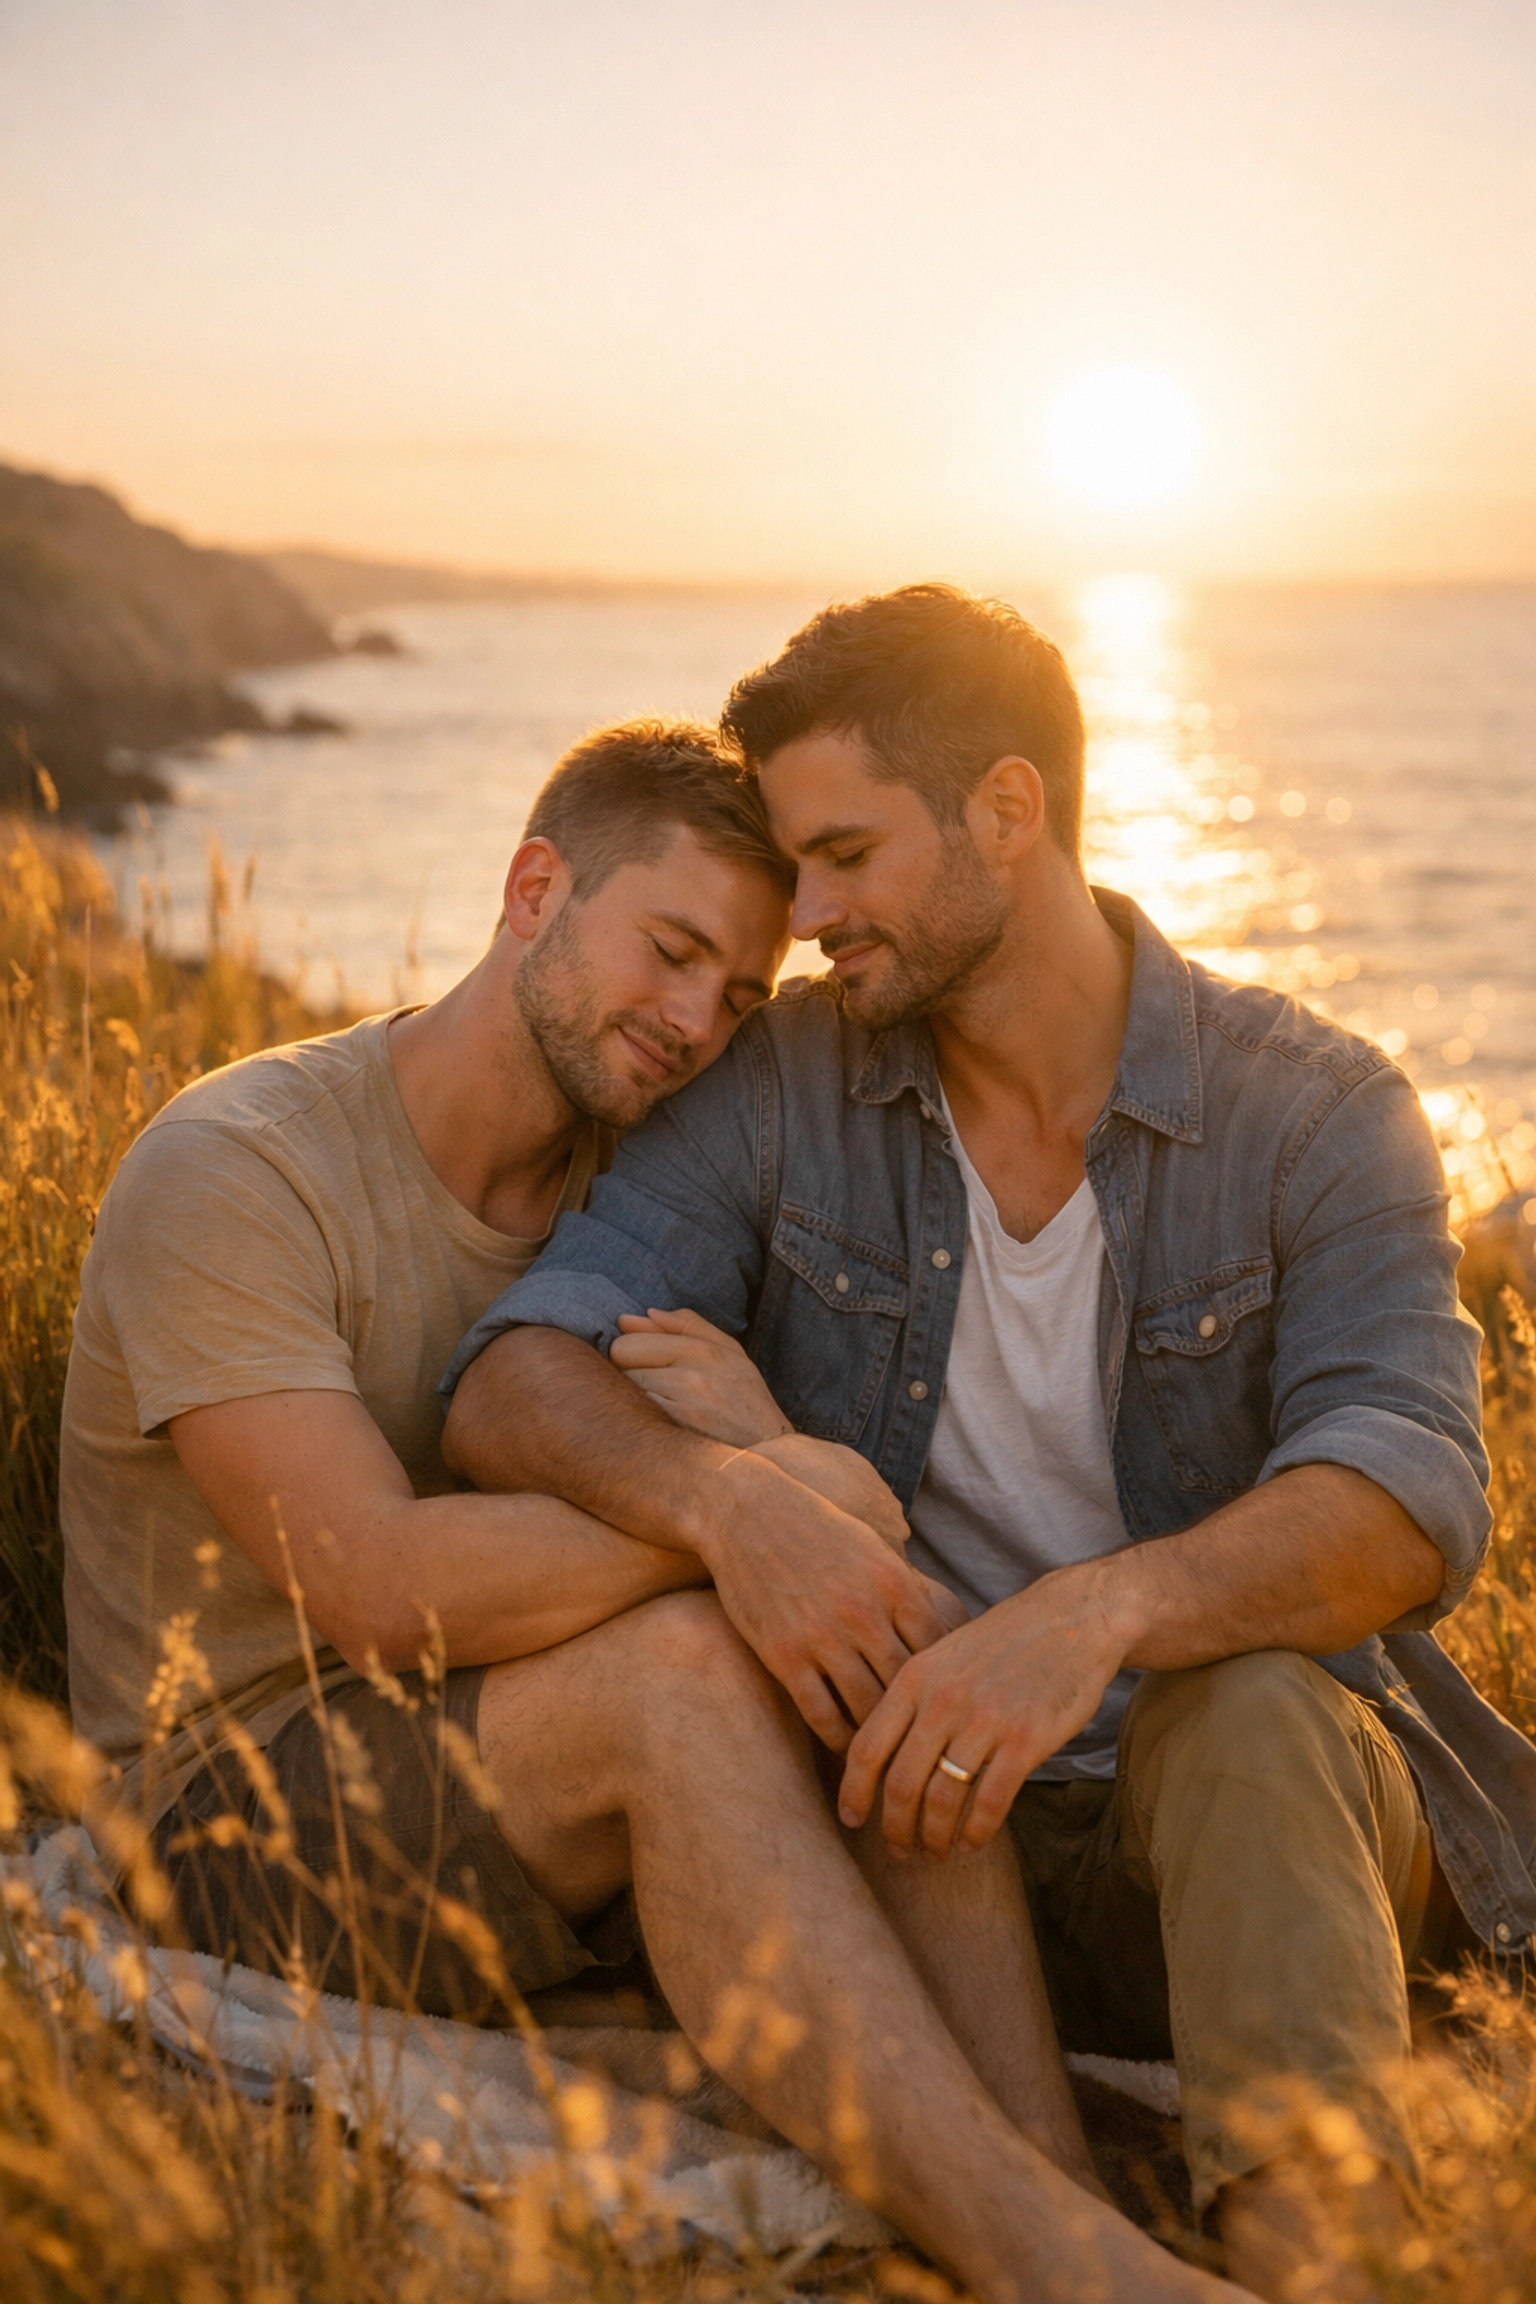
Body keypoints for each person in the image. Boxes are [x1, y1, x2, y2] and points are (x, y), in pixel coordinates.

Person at [442, 585, 1536, 2302]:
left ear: (1007, 814)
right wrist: (728, 1499)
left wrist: (1084, 1619)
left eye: (846, 857)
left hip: (1252, 1852)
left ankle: (1305, 2272)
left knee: (1245, 1709)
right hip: (918, 1832)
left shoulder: (1316, 1109)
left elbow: (1406, 1498)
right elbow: (515, 1371)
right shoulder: (789, 1084)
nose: (800, 921)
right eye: (793, 868)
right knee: (853, 1683)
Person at [59, 715, 1217, 2304]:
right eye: (668, 952)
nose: (694, 1023)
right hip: (225, 1801)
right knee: (687, 1660)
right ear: (536, 889)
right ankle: (1052, 2266)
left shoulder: (642, 1179)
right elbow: (379, 1589)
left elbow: (837, 1527)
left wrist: (765, 1497)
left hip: (505, 1749)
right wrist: (741, 1504)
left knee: (837, 1632)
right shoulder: (240, 1170)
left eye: (741, 994)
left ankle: (1070, 2198)